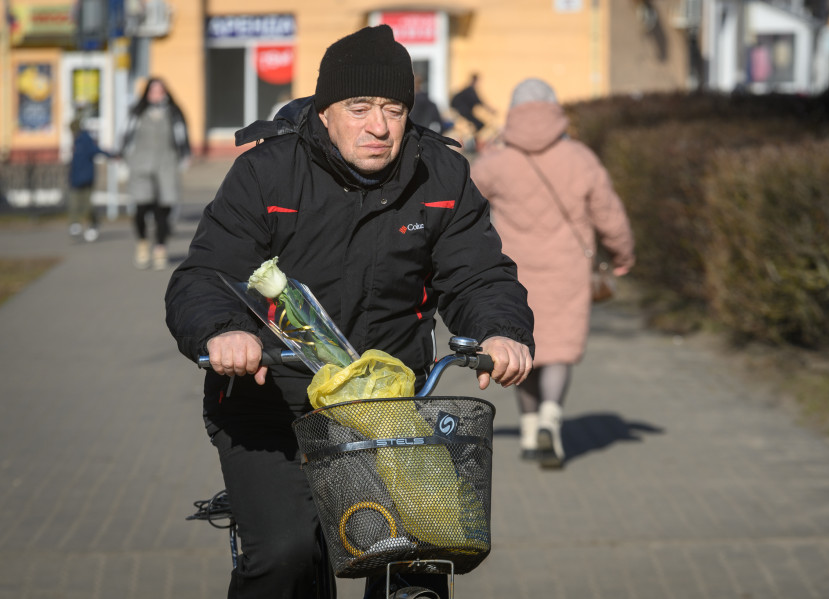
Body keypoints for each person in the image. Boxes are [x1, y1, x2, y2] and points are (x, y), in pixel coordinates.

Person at [165, 25, 534, 598]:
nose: (379, 126)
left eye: (393, 108)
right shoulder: (268, 172)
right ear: (326, 111)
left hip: (384, 415)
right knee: (286, 556)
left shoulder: (440, 174)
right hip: (271, 405)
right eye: (359, 107)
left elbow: (476, 272)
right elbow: (207, 274)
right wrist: (224, 330)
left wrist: (500, 330)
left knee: (422, 557)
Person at [470, 78, 635, 469]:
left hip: (513, 271)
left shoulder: (496, 161)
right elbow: (608, 212)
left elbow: (462, 207)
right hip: (567, 269)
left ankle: (528, 430)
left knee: (523, 347)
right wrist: (622, 254)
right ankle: (550, 420)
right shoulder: (580, 158)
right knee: (559, 349)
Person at [121, 77, 191, 270]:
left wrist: (184, 156)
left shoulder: (174, 113)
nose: (157, 94)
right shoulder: (137, 112)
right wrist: (124, 158)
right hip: (141, 163)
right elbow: (126, 135)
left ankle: (160, 247)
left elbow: (182, 135)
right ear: (147, 93)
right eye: (153, 90)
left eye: (161, 90)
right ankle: (143, 242)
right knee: (142, 206)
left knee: (164, 207)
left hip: (166, 163)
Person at [67, 118, 112, 242]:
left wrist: (110, 154)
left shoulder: (84, 139)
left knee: (87, 205)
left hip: (86, 177)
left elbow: (95, 151)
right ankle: (75, 223)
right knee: (74, 202)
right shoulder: (75, 141)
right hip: (76, 178)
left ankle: (93, 224)